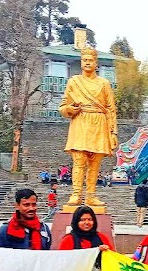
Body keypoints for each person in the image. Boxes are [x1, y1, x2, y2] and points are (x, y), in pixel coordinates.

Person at [59, 47, 118, 206]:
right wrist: (68, 110)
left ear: (96, 63)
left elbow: (111, 109)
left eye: (90, 60)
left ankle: (91, 195)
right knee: (79, 160)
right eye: (84, 60)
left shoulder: (104, 83)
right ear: (81, 62)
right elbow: (63, 106)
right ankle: (76, 193)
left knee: (95, 163)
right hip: (80, 121)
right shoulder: (74, 82)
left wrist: (113, 133)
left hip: (99, 123)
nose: (87, 63)